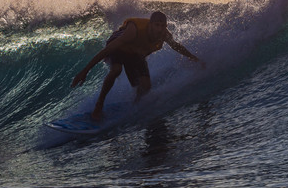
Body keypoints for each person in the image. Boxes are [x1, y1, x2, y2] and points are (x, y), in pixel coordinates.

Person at [71, 11, 202, 120]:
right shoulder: (134, 30)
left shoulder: (164, 35)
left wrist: (194, 58)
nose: (159, 29)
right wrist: (85, 71)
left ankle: (136, 106)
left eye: (163, 26)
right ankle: (99, 105)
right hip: (119, 47)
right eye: (157, 25)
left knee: (146, 86)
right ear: (150, 24)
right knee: (116, 70)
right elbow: (107, 50)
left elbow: (176, 46)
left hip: (135, 53)